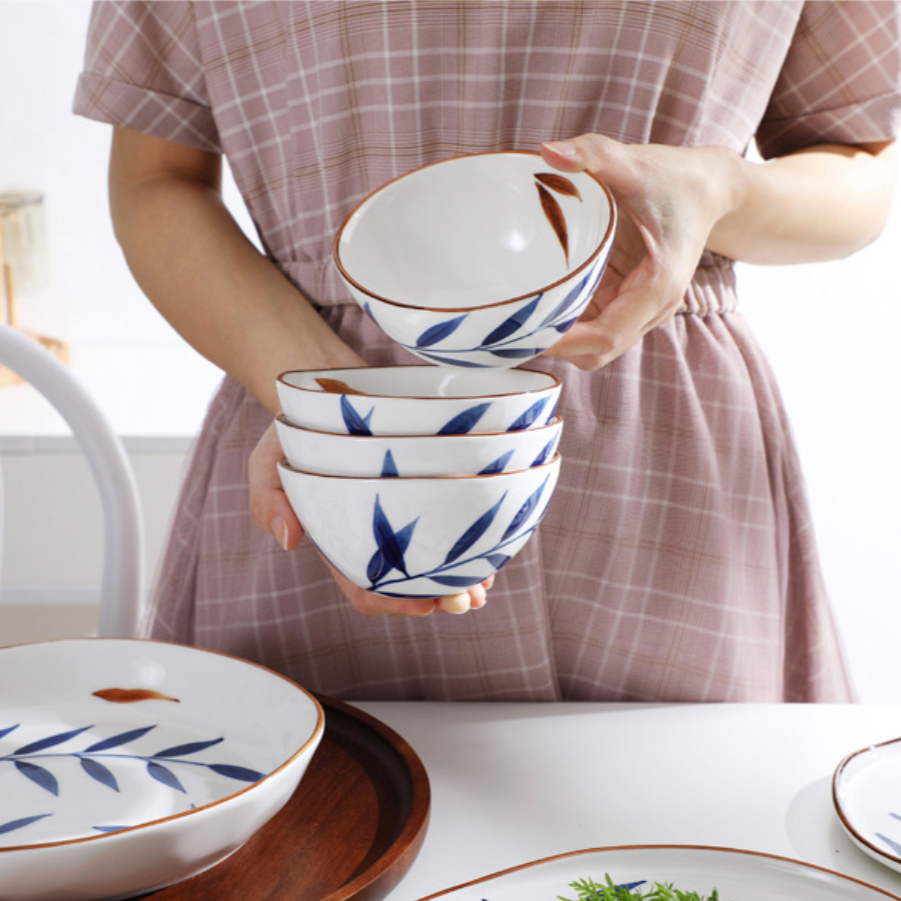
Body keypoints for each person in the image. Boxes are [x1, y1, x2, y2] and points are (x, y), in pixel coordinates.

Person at [74, 1, 899, 702]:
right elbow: (158, 179)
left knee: (698, 864)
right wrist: (333, 405)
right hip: (317, 437)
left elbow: (859, 164)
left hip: (667, 463)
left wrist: (720, 190)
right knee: (307, 854)